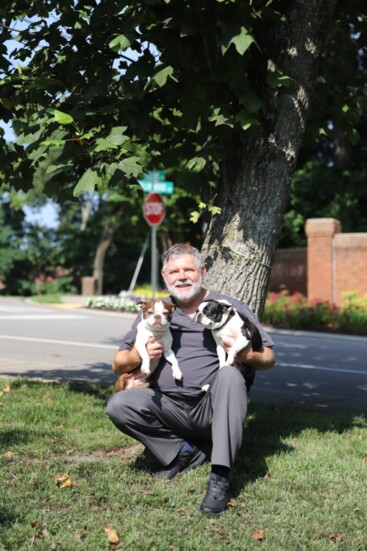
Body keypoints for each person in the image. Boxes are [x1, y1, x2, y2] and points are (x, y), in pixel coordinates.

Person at [106, 243, 275, 515]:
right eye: (174, 272)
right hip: (167, 407)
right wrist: (140, 355)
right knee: (118, 404)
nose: (182, 277)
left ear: (202, 272)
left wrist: (245, 353)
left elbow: (269, 358)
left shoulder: (227, 306)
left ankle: (219, 479)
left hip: (211, 407)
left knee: (230, 375)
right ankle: (184, 452)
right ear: (165, 277)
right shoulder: (156, 310)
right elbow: (117, 363)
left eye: (189, 270)